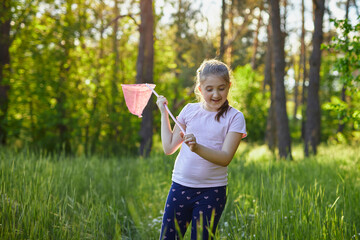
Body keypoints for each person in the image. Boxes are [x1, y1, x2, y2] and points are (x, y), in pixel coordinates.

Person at [156, 59, 247, 240]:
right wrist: (163, 113)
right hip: (180, 187)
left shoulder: (235, 117)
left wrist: (197, 148)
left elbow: (225, 157)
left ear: (229, 86)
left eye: (221, 88)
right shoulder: (189, 111)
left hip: (212, 192)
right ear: (199, 89)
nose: (215, 94)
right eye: (209, 89)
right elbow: (168, 147)